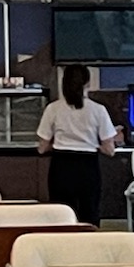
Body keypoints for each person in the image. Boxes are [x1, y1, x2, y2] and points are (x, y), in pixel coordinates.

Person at [38, 64, 118, 225]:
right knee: (89, 213)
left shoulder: (53, 109)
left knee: (61, 214)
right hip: (88, 167)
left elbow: (42, 148)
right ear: (87, 83)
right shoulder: (98, 110)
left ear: (63, 82)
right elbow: (110, 150)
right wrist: (95, 144)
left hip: (60, 166)